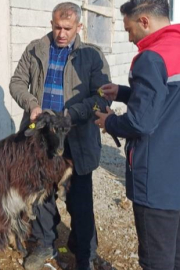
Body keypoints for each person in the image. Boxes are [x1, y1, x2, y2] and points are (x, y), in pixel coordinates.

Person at [9, 2, 111, 270]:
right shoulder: (36, 48)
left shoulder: (92, 55)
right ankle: (45, 245)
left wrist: (72, 113)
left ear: (79, 26)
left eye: (67, 28)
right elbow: (17, 82)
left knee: (79, 200)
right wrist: (32, 104)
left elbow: (101, 97)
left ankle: (85, 253)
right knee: (42, 196)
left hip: (76, 140)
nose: (61, 33)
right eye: (57, 27)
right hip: (41, 139)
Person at [94, 0, 180, 269]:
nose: (130, 39)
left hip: (156, 179)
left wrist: (110, 123)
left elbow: (142, 122)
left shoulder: (151, 57)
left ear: (144, 21)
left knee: (156, 260)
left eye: (129, 30)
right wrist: (122, 92)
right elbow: (165, 100)